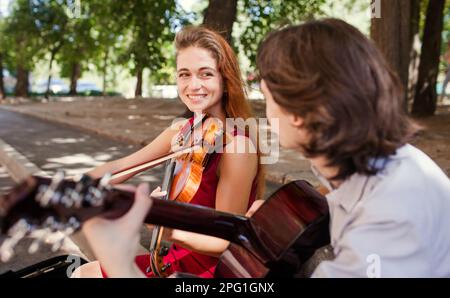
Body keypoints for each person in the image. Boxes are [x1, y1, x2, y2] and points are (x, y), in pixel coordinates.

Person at [82, 18, 450, 277]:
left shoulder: (390, 217)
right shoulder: (381, 170)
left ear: (303, 112)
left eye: (270, 98)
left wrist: (124, 249)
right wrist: (263, 221)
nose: (264, 112)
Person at [72, 26, 265, 278]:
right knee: (84, 273)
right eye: (184, 74)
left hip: (208, 272)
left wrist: (167, 229)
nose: (193, 85)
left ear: (225, 80)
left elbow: (226, 243)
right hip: (172, 258)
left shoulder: (238, 147)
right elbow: (124, 166)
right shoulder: (183, 131)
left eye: (205, 74)